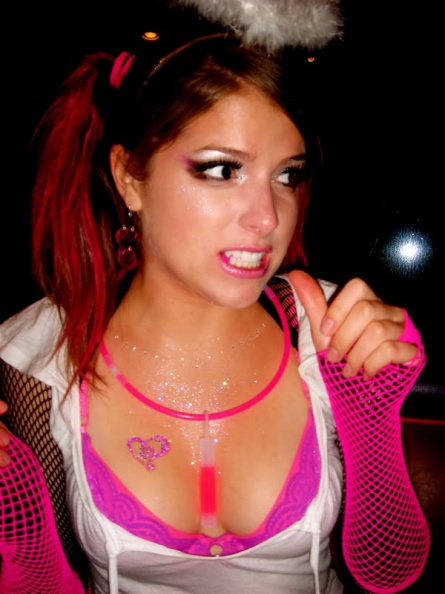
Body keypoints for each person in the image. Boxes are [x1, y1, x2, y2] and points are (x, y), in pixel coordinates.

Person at [0, 1, 431, 593]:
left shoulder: (330, 329)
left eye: (287, 175)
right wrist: (16, 510)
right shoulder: (44, 354)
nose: (268, 217)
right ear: (130, 178)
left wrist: (372, 413)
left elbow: (389, 570)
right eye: (223, 170)